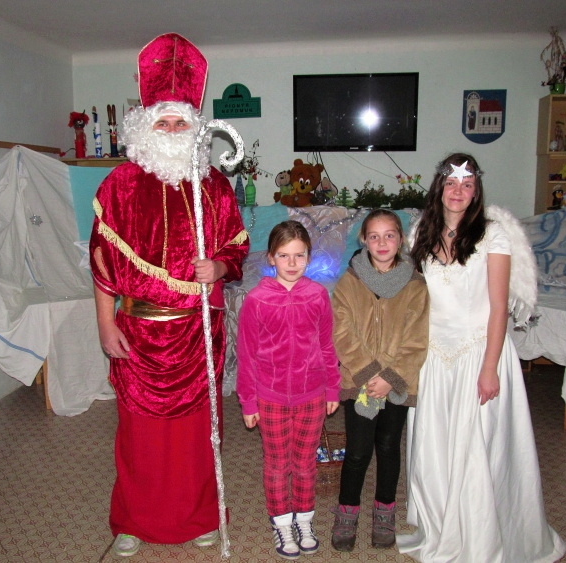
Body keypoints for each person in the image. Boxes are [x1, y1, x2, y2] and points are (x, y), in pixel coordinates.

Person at [89, 33, 249, 558]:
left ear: (196, 129)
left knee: (196, 436)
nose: (174, 131)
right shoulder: (119, 185)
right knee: (140, 437)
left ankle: (199, 517)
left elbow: (237, 248)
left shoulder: (214, 187)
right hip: (138, 335)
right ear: (146, 127)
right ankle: (133, 522)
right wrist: (105, 324)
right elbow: (102, 265)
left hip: (197, 333)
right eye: (165, 123)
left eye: (182, 123)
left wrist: (220, 265)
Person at [395, 153, 566, 562]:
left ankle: (480, 534)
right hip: (434, 355)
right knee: (434, 447)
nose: (458, 191)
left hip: (479, 353)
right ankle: (440, 526)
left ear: (476, 191)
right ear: (440, 187)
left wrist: (489, 368)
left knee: (476, 448)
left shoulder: (494, 235)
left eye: (467, 184)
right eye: (452, 183)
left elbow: (498, 306)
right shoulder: (421, 232)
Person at [236, 220, 340, 560]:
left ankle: (304, 521)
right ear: (271, 258)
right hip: (270, 397)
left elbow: (326, 345)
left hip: (312, 394)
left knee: (305, 463)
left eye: (299, 255)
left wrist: (333, 388)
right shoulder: (257, 300)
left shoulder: (317, 295)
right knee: (278, 464)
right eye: (284, 255)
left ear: (309, 257)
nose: (292, 263)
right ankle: (282, 523)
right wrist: (248, 401)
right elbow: (247, 354)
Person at [329, 209, 429, 552]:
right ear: (364, 241)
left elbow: (417, 339)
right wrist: (368, 374)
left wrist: (390, 377)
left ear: (400, 239)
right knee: (357, 452)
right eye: (374, 236)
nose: (382, 242)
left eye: (389, 235)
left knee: (388, 447)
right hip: (360, 382)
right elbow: (341, 332)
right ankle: (347, 513)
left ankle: (385, 512)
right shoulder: (349, 282)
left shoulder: (415, 285)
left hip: (397, 383)